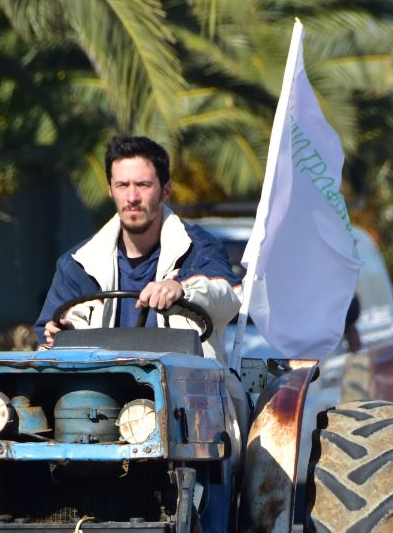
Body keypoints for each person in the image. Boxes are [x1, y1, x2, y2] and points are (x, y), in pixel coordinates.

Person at [35, 135, 240, 363]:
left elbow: (230, 297)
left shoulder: (199, 248)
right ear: (111, 190)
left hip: (182, 392)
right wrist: (58, 335)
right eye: (122, 185)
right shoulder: (77, 264)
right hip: (98, 392)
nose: (132, 197)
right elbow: (46, 343)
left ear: (166, 189)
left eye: (143, 185)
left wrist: (181, 289)